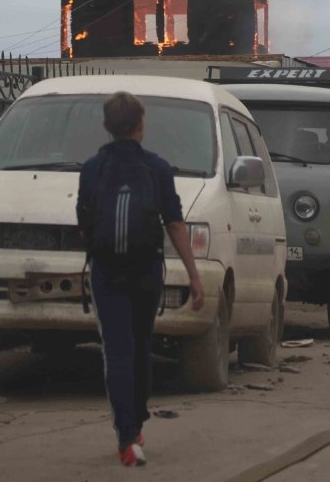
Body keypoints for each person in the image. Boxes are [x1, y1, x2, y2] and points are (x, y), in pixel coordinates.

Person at [76, 92, 205, 467]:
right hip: (146, 272)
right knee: (141, 345)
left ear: (106, 127)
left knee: (117, 350)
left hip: (106, 272)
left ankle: (127, 436)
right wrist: (194, 277)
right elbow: (175, 224)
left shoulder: (91, 168)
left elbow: (84, 226)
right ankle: (137, 424)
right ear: (141, 126)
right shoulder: (158, 168)